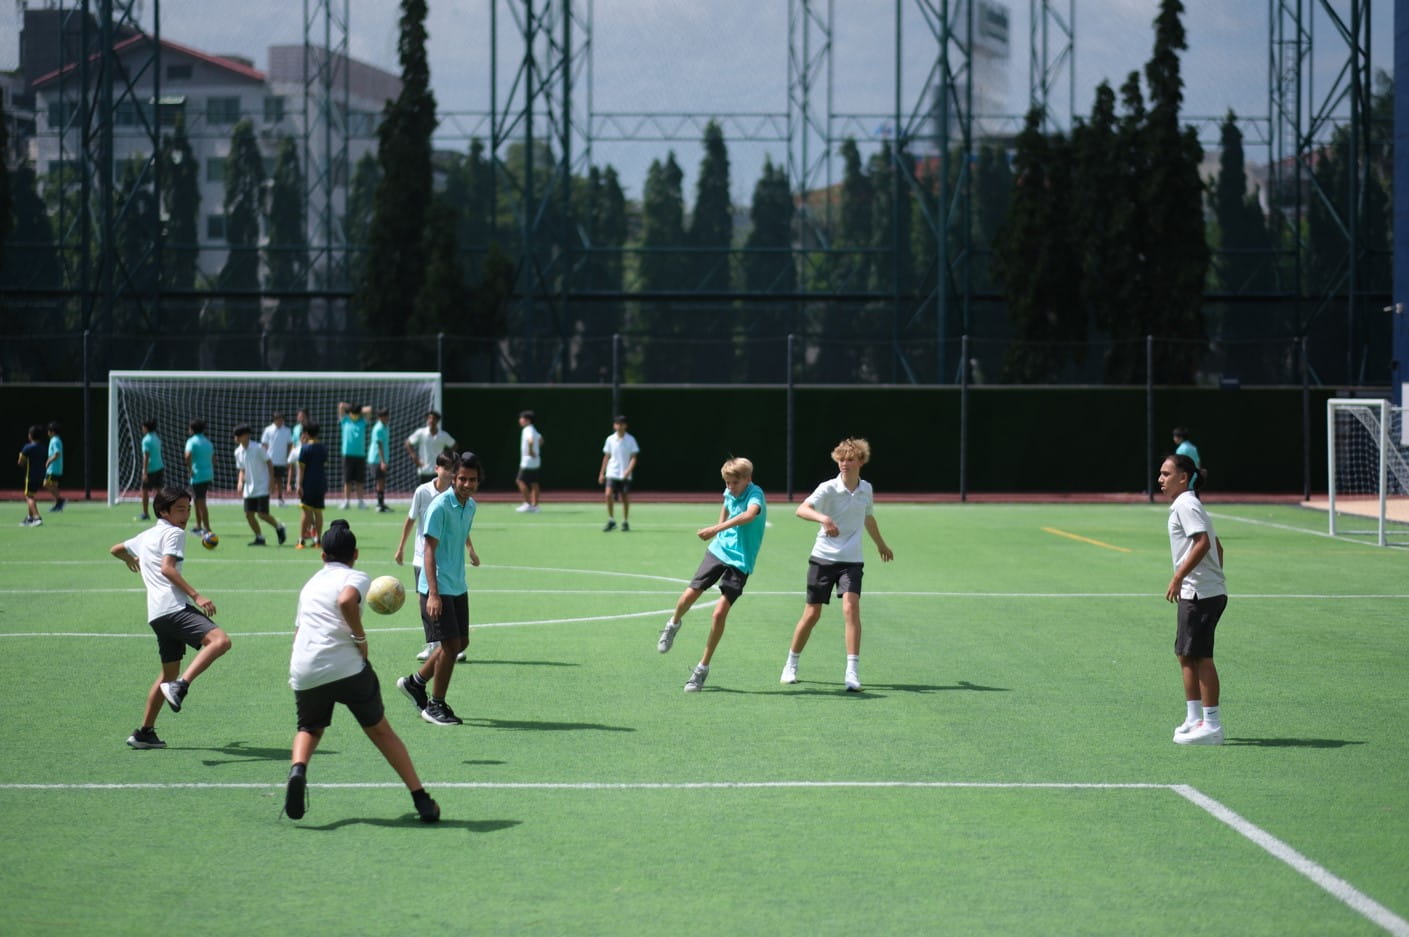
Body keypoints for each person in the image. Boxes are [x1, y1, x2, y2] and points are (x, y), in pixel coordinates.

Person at [284, 519, 441, 823]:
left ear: (322, 555)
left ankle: (298, 770)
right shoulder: (355, 576)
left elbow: (299, 632)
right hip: (346, 666)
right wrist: (359, 637)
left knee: (309, 729)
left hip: (305, 667)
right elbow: (346, 599)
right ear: (355, 554)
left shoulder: (310, 585)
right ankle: (421, 799)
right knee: (381, 732)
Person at [110, 485, 232, 749]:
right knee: (220, 641)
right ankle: (181, 687)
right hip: (174, 607)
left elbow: (115, 549)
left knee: (168, 674)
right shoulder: (175, 533)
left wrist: (129, 559)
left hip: (157, 615)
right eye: (179, 509)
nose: (185, 515)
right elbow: (167, 568)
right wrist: (197, 596)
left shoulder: (146, 535)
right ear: (163, 511)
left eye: (188, 509)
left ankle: (144, 733)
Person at [780, 437, 895, 692]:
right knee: (812, 614)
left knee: (851, 609)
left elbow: (868, 518)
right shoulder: (828, 488)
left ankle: (852, 672)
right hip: (822, 558)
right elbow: (801, 509)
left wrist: (881, 545)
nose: (844, 463)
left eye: (850, 459)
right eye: (841, 459)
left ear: (861, 462)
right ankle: (791, 664)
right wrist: (823, 518)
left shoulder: (866, 489)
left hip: (852, 561)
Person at [657, 457, 767, 692]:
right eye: (727, 482)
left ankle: (701, 669)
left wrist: (716, 528)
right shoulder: (729, 490)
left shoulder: (755, 494)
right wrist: (719, 531)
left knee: (718, 614)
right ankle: (673, 624)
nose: (730, 487)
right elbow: (726, 502)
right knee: (689, 595)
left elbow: (749, 515)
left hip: (741, 561)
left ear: (748, 479)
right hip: (719, 551)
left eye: (735, 483)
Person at [397, 452, 482, 726]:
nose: (467, 484)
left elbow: (460, 537)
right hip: (436, 585)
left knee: (461, 642)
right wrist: (433, 594)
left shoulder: (470, 506)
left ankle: (415, 683)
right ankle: (435, 705)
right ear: (453, 478)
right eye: (463, 479)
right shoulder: (440, 506)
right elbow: (429, 552)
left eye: (472, 480)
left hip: (457, 584)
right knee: (450, 645)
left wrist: (471, 550)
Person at [1159, 453, 1228, 746]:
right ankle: (1194, 718)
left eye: (1166, 474)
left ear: (1183, 478)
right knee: (1185, 654)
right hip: (1199, 590)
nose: (1160, 479)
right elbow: (1218, 547)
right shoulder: (1186, 504)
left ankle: (1211, 725)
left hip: (1201, 593)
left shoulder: (1186, 505)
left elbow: (1203, 543)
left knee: (1201, 656)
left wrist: (1179, 577)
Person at [394, 450, 455, 662]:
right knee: (426, 601)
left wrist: (470, 548)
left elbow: (459, 525)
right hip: (422, 555)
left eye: (453, 470)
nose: (450, 473)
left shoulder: (455, 494)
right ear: (437, 469)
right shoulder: (422, 491)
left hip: (446, 557)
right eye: (446, 468)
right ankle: (432, 644)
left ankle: (451, 645)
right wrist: (401, 547)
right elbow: (411, 519)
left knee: (447, 601)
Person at [234, 424, 287, 547]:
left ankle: (279, 527)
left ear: (246, 436)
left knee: (262, 514)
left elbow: (269, 463)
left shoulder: (258, 448)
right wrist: (240, 481)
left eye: (238, 435)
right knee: (248, 514)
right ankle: (259, 537)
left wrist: (271, 481)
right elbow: (242, 469)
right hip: (249, 489)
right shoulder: (238, 452)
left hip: (262, 486)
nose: (235, 438)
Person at [598, 415, 641, 532]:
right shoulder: (610, 439)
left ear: (625, 426)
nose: (618, 426)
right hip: (612, 472)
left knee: (624, 497)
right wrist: (602, 473)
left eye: (621, 424)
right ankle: (611, 520)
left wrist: (628, 470)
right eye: (617, 424)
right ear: (614, 426)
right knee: (608, 494)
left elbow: (634, 457)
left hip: (624, 474)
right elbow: (606, 457)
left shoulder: (631, 439)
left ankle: (625, 521)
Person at [296, 421, 328, 550]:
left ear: (307, 433)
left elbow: (301, 469)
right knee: (318, 512)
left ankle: (301, 540)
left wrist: (299, 485)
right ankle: (318, 540)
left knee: (306, 512)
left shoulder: (305, 448)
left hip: (308, 484)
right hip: (320, 483)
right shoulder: (323, 448)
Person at [405, 410, 456, 485]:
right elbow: (408, 443)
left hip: (438, 472)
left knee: (438, 492)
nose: (431, 420)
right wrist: (414, 457)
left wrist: (447, 459)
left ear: (438, 420)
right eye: (429, 418)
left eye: (434, 418)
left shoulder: (443, 435)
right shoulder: (421, 432)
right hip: (424, 471)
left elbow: (454, 445)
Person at [183, 419, 216, 537]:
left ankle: (207, 529)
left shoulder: (191, 441)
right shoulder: (208, 442)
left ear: (192, 429)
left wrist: (190, 469)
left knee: (201, 502)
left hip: (197, 476)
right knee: (197, 500)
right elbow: (214, 459)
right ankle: (198, 526)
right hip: (208, 474)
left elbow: (187, 456)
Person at [338, 401, 371, 509]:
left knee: (359, 480)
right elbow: (341, 405)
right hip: (347, 455)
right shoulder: (345, 420)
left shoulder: (362, 421)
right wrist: (352, 407)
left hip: (360, 455)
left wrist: (358, 410)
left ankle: (360, 502)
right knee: (347, 479)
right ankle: (346, 501)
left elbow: (369, 409)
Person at [261, 412, 294, 507]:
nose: (280, 421)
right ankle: (265, 499)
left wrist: (289, 458)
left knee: (279, 479)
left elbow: (290, 445)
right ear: (274, 420)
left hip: (281, 460)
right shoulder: (268, 430)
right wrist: (264, 458)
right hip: (269, 460)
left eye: (281, 419)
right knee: (268, 479)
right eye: (278, 419)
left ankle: (280, 499)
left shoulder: (287, 430)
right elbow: (264, 445)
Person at [18, 424, 46, 527]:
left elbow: (20, 462)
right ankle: (30, 518)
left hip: (31, 476)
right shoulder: (43, 448)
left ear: (30, 435)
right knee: (31, 494)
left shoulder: (27, 447)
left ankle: (37, 517)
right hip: (41, 475)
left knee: (28, 496)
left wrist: (21, 457)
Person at [515, 410, 543, 513]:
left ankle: (528, 504)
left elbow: (530, 440)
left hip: (528, 461)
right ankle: (535, 506)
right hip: (536, 461)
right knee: (534, 483)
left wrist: (531, 451)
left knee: (520, 481)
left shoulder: (527, 429)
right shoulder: (533, 429)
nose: (520, 420)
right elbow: (541, 440)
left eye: (521, 418)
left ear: (527, 420)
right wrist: (536, 449)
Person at [137, 418, 165, 521]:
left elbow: (146, 456)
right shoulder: (157, 438)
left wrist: (144, 471)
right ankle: (163, 512)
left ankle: (145, 513)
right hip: (159, 467)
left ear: (146, 428)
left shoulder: (146, 440)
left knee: (145, 491)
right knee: (159, 492)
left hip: (150, 468)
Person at [367, 407, 392, 513]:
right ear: (379, 417)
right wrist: (382, 462)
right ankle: (379, 504)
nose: (386, 417)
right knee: (379, 481)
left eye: (386, 415)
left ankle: (381, 503)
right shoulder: (378, 428)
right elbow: (379, 445)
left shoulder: (386, 427)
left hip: (383, 459)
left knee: (382, 481)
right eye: (383, 415)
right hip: (376, 459)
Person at [43, 421, 66, 512]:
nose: (47, 432)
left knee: (46, 483)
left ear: (52, 431)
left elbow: (57, 454)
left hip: (53, 468)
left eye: (48, 431)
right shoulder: (57, 440)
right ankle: (58, 505)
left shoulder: (55, 440)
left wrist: (49, 461)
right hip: (57, 468)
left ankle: (60, 500)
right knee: (54, 486)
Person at [288, 408, 309, 493]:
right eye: (299, 416)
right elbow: (294, 442)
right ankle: (295, 487)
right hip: (298, 452)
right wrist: (291, 452)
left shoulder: (310, 427)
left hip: (307, 451)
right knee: (298, 470)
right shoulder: (296, 428)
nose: (301, 418)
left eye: (302, 416)